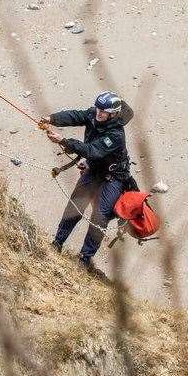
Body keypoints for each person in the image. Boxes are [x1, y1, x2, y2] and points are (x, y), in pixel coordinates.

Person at [41, 91, 134, 269]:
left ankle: (85, 257)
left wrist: (65, 141)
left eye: (103, 111)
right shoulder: (94, 114)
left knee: (100, 216)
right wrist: (51, 119)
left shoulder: (116, 135)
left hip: (112, 178)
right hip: (94, 170)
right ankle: (57, 243)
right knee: (75, 206)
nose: (98, 113)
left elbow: (92, 150)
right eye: (98, 109)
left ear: (113, 113)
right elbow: (75, 115)